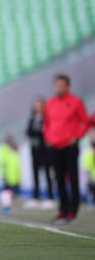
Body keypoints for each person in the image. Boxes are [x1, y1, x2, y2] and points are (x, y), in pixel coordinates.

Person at [43, 75, 88, 224]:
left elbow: (85, 122)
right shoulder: (50, 103)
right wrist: (48, 138)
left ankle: (72, 211)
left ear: (67, 86)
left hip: (69, 146)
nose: (59, 88)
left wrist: (77, 136)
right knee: (59, 179)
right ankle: (62, 209)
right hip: (54, 146)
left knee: (73, 179)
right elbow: (46, 124)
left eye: (62, 85)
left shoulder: (76, 102)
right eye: (57, 85)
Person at [24, 97, 55, 210]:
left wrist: (39, 133)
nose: (37, 107)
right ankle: (35, 198)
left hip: (45, 151)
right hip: (34, 150)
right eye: (35, 105)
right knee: (35, 174)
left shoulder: (47, 118)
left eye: (39, 105)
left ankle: (50, 198)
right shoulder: (33, 119)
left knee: (47, 174)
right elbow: (28, 132)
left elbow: (46, 132)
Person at [82, 113, 95, 208]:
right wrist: (92, 144)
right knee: (90, 176)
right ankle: (90, 198)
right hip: (92, 149)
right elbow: (89, 127)